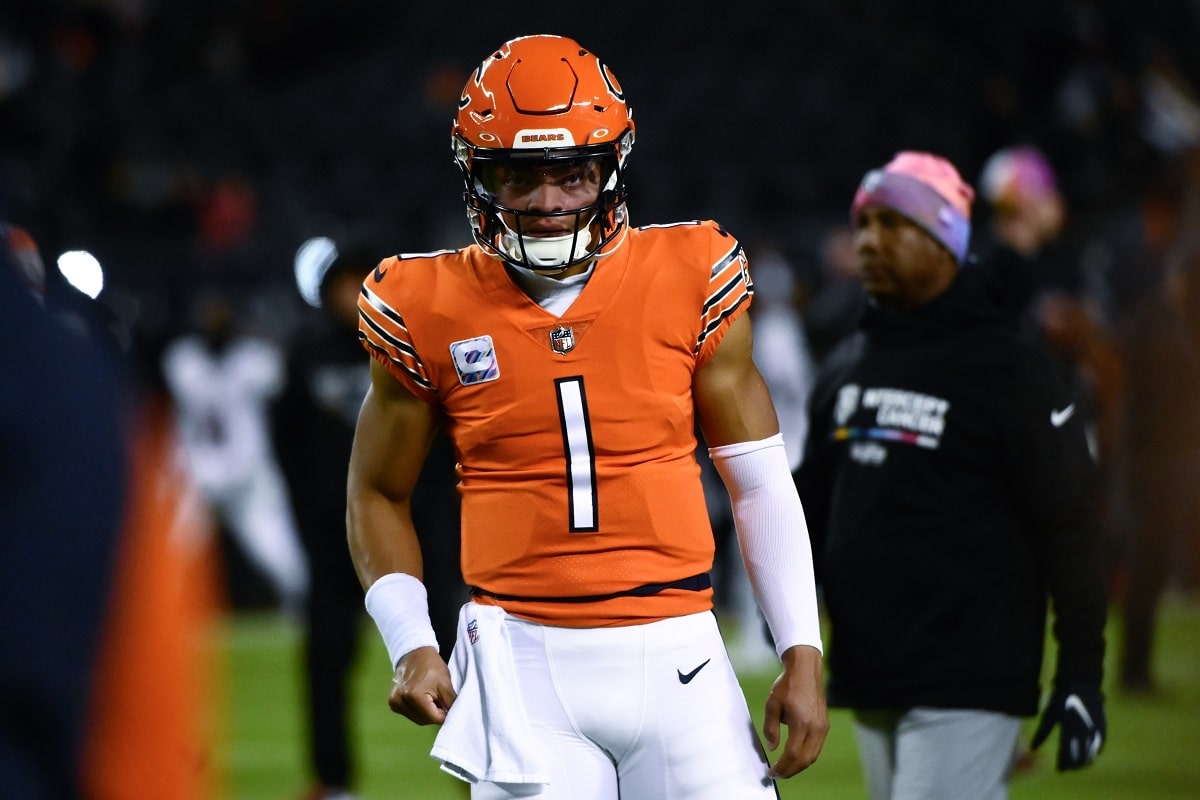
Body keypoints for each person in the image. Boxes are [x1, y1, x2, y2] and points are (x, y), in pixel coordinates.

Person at [346, 34, 827, 799]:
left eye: (571, 174)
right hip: (523, 663)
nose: (546, 203)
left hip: (681, 657)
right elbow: (375, 491)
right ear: (479, 177)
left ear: (611, 167)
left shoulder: (690, 274)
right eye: (519, 178)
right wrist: (411, 644)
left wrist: (800, 646)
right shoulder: (426, 304)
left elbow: (760, 480)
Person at [794, 151, 1109, 800]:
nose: (869, 242)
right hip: (871, 670)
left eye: (893, 224)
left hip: (970, 673)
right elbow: (810, 507)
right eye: (863, 225)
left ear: (945, 239)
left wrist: (1080, 673)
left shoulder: (1012, 371)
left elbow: (1072, 526)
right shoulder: (850, 362)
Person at [274, 238, 465, 800]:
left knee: (457, 656)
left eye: (365, 280)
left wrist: (443, 518)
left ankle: (478, 775)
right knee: (326, 655)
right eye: (344, 282)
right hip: (333, 534)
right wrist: (307, 517)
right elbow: (286, 444)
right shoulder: (307, 352)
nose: (354, 295)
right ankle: (333, 782)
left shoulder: (418, 344)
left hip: (422, 534)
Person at [162, 287, 309, 613]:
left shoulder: (253, 358)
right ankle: (160, 616)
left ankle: (302, 610)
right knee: (171, 552)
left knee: (280, 552)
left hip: (249, 472)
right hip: (197, 473)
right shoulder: (183, 360)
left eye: (220, 315)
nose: (214, 322)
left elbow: (281, 378)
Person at [1116, 233, 1200, 693]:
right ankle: (1133, 671)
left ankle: (1138, 668)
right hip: (1152, 467)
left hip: (1158, 464)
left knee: (1151, 568)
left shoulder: (1162, 322)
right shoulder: (1157, 325)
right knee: (1146, 568)